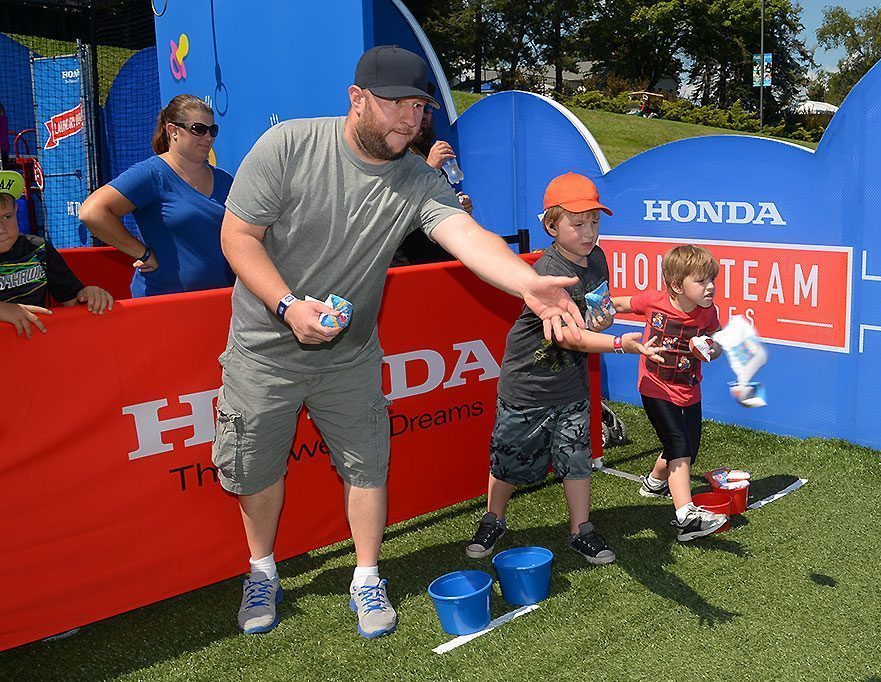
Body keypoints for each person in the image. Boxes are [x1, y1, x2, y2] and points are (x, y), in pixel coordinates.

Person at [215, 45, 588, 639]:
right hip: (263, 350)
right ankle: (261, 570)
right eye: (396, 106)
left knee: (368, 465)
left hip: (351, 356)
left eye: (419, 108)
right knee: (257, 468)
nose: (410, 121)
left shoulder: (417, 177)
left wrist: (528, 284)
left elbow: (467, 234)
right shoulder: (287, 146)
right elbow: (238, 238)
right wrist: (288, 306)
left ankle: (367, 576)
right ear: (356, 99)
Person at [464, 172, 663, 564]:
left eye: (595, 221)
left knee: (576, 459)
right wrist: (621, 343)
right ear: (551, 226)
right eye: (578, 223)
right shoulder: (544, 271)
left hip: (571, 386)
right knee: (507, 462)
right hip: (527, 387)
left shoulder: (599, 258)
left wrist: (609, 316)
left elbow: (596, 312)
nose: (589, 232)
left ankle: (580, 530)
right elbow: (568, 336)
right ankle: (493, 518)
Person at [612, 245, 729, 541]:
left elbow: (717, 345)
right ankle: (685, 516)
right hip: (654, 386)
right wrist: (594, 306)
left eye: (711, 280)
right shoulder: (655, 301)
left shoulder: (708, 313)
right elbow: (623, 304)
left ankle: (653, 484)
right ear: (677, 286)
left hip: (689, 389)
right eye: (701, 281)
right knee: (679, 444)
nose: (710, 287)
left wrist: (710, 350)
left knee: (688, 449)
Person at [79, 94, 235, 297]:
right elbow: (91, 212)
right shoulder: (151, 174)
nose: (208, 137)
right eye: (199, 129)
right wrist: (142, 253)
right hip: (163, 305)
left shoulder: (225, 180)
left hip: (221, 302)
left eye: (212, 130)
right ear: (173, 130)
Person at [0, 191, 114, 337]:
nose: (1, 230)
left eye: (7, 217)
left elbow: (72, 300)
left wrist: (88, 295)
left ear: (16, 210)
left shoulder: (38, 249)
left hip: (37, 343)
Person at [393, 82, 473, 266]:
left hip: (437, 258)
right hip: (407, 262)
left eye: (425, 108)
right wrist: (431, 167)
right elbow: (396, 206)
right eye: (414, 107)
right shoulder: (391, 153)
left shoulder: (425, 149)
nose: (421, 116)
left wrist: (457, 205)